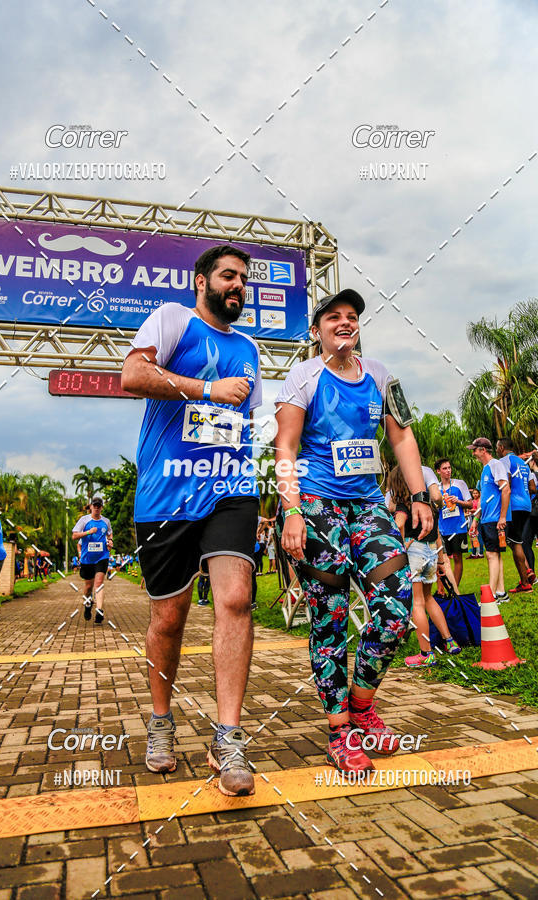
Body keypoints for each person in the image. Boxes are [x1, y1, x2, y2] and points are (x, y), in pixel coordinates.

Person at [121, 244, 262, 796]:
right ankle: (161, 721)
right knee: (169, 618)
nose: (238, 286)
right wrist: (207, 390)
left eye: (244, 279)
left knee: (235, 598)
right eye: (228, 276)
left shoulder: (249, 348)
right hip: (166, 496)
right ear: (201, 280)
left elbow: (245, 424)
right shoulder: (173, 319)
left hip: (230, 491)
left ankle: (228, 737)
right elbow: (133, 374)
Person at [275, 288, 432, 774]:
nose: (345, 323)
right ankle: (339, 729)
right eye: (334, 318)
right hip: (317, 504)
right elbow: (285, 446)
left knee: (395, 607)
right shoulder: (304, 376)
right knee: (331, 616)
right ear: (317, 330)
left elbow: (402, 436)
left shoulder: (381, 376)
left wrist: (420, 494)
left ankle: (362, 704)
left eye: (352, 317)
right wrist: (293, 510)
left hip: (367, 505)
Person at [388, 466, 461, 667]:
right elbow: (437, 534)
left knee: (417, 603)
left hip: (414, 552)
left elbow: (400, 523)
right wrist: (439, 561)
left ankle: (426, 653)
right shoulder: (428, 505)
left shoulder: (404, 504)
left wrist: (399, 546)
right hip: (430, 551)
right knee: (429, 599)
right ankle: (450, 641)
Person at [468, 438, 511, 604]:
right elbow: (484, 499)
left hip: (495, 519)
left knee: (491, 555)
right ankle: (501, 592)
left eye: (475, 450)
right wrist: (476, 519)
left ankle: (491, 596)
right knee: (496, 555)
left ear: (483, 450)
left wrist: (502, 517)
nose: (473, 453)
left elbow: (505, 490)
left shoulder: (495, 465)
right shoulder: (485, 469)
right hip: (486, 518)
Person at [496, 437, 536, 593]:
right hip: (526, 504)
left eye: (498, 447)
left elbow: (507, 484)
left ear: (501, 447)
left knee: (515, 543)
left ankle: (525, 582)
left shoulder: (505, 461)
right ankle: (527, 572)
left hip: (514, 505)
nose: (497, 450)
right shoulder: (525, 464)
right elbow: (533, 487)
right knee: (516, 541)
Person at [72, 497, 113, 625]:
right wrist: (88, 532)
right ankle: (88, 605)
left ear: (101, 507)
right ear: (90, 507)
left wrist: (110, 541)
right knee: (89, 586)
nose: (96, 507)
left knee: (99, 583)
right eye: (94, 505)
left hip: (102, 557)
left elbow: (109, 534)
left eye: (99, 506)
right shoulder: (84, 520)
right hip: (87, 559)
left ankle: (99, 611)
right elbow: (74, 535)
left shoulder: (106, 521)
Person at [435, 458, 473, 587]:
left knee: (457, 558)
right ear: (438, 471)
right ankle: (443, 589)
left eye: (449, 468)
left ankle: (454, 589)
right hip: (442, 529)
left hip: (458, 527)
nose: (448, 471)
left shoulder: (459, 484)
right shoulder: (435, 488)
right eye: (444, 468)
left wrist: (458, 501)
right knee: (442, 561)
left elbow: (470, 504)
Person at [468, 489, 485, 558]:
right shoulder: (472, 501)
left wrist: (473, 510)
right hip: (472, 518)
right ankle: (473, 553)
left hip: (478, 519)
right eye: (473, 493)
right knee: (472, 535)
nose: (475, 494)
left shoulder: (479, 501)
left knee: (479, 535)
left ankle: (480, 553)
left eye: (476, 493)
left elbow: (479, 510)